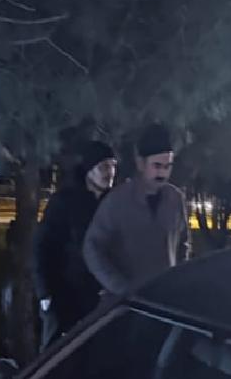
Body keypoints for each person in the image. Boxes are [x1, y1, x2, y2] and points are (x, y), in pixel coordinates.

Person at [83, 123, 189, 300]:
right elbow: (92, 248)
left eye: (167, 166)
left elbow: (183, 244)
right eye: (156, 166)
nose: (162, 173)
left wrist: (178, 281)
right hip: (126, 304)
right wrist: (120, 288)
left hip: (165, 300)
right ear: (141, 163)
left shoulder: (175, 199)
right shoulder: (117, 201)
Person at [33, 140, 116, 343]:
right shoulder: (64, 202)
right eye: (104, 166)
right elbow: (42, 248)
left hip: (101, 300)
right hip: (65, 298)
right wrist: (45, 294)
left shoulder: (114, 203)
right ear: (89, 170)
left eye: (113, 165)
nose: (110, 172)